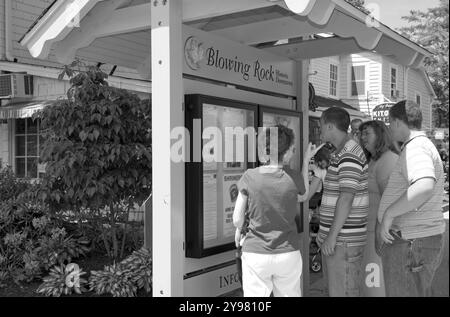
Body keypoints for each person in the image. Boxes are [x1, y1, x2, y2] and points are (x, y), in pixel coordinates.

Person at [377, 100, 446, 297]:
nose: (390, 129)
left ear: (398, 122)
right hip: (415, 240)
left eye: (390, 123)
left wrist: (389, 214)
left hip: (410, 242)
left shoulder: (416, 147)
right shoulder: (421, 145)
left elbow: (424, 186)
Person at [232, 124, 311, 297]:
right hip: (288, 252)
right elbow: (303, 195)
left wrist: (241, 229)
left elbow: (237, 219)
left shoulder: (250, 176)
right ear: (288, 150)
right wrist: (306, 162)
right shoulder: (294, 177)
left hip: (256, 252)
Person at [316, 107, 369, 297]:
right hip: (339, 241)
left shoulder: (349, 153)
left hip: (343, 242)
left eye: (321, 125)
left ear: (330, 126)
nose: (319, 129)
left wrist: (331, 236)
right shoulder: (342, 152)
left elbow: (347, 197)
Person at [358, 120, 399, 297]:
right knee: (370, 285)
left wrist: (379, 234)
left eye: (367, 133)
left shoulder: (387, 160)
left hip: (378, 235)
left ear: (380, 135)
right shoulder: (375, 160)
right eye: (361, 133)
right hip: (369, 233)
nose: (362, 137)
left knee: (374, 287)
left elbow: (389, 202)